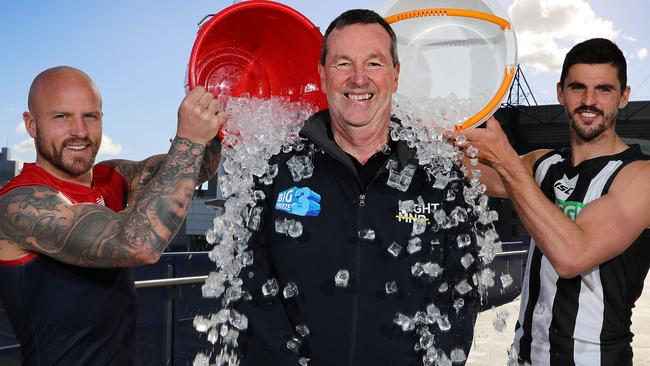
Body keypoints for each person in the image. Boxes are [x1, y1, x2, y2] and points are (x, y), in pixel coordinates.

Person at [236, 10, 482, 366]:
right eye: (342, 64)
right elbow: (248, 286)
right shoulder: (274, 170)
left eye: (374, 63)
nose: (358, 79)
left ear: (395, 75)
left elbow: (461, 296)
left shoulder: (439, 178)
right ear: (322, 75)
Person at [0, 66, 223, 365]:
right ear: (32, 125)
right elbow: (137, 245)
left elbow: (196, 167)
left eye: (90, 116)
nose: (79, 131)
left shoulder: (114, 176)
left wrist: (220, 110)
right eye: (61, 116)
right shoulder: (18, 203)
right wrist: (189, 138)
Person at [458, 38, 650, 365]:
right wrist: (420, 122)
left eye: (604, 89)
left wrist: (506, 162)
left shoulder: (639, 176)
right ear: (560, 93)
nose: (589, 101)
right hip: (523, 358)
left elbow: (573, 256)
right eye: (578, 88)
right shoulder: (543, 164)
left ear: (624, 97)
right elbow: (469, 172)